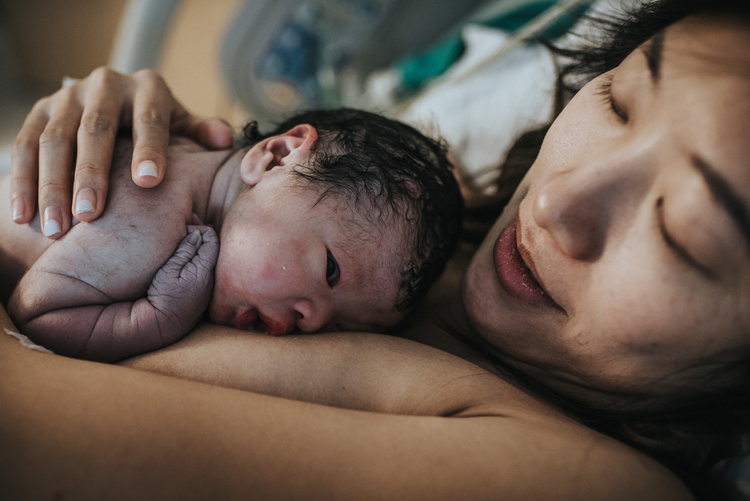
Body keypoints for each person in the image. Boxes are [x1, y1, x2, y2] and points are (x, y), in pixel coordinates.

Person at [2, 0, 748, 499]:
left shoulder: (582, 477)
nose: (554, 204)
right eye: (617, 101)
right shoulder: (411, 216)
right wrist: (135, 146)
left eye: (682, 230)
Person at [2, 108, 463, 362]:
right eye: (330, 269)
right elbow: (36, 313)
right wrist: (159, 316)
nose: (315, 322)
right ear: (276, 158)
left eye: (343, 326)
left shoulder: (202, 187)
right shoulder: (152, 212)